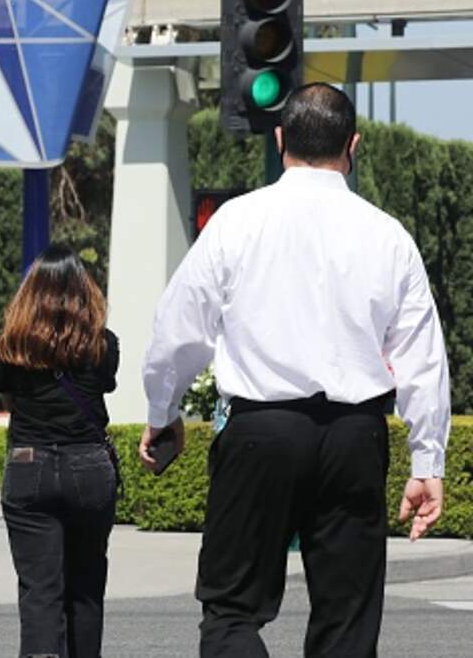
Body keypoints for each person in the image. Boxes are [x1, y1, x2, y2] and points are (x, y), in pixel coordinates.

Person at [140, 83, 450, 657]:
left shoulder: (236, 222)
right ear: (353, 145)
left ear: (280, 139)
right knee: (347, 624)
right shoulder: (388, 235)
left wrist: (163, 411)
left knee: (231, 611)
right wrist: (427, 460)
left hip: (260, 431)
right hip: (355, 436)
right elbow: (422, 357)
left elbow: (177, 329)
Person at [0, 244, 120, 658]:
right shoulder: (103, 344)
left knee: (39, 590)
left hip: (29, 463)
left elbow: (9, 400)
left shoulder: (12, 345)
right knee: (86, 587)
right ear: (85, 291)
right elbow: (103, 386)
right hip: (88, 464)